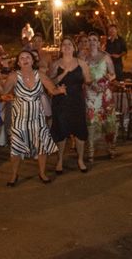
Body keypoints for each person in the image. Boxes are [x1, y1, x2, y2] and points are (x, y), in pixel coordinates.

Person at [0, 50, 65, 186]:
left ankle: (42, 173)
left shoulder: (40, 75)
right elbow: (3, 93)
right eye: (22, 58)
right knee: (16, 148)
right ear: (18, 63)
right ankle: (14, 175)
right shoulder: (14, 76)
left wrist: (60, 90)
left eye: (28, 57)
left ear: (33, 61)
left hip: (37, 117)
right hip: (20, 118)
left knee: (42, 146)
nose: (25, 59)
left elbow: (52, 90)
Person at [49, 37, 92, 174]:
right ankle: (60, 160)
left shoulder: (81, 63)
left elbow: (88, 80)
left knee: (79, 130)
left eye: (69, 44)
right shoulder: (55, 64)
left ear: (74, 48)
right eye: (64, 45)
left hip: (77, 101)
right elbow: (50, 82)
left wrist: (92, 81)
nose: (67, 47)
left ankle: (80, 159)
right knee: (61, 131)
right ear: (61, 48)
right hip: (61, 102)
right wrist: (65, 73)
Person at [85, 32, 118, 162]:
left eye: (94, 40)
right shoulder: (84, 58)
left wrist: (108, 79)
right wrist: (91, 84)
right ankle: (91, 151)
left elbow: (113, 74)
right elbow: (82, 77)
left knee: (108, 120)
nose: (92, 42)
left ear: (99, 43)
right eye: (89, 40)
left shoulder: (106, 56)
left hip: (105, 93)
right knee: (91, 121)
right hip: (91, 94)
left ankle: (111, 148)